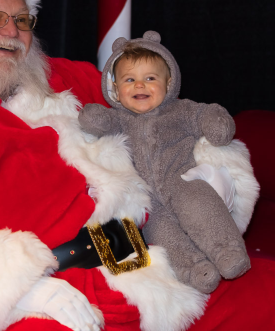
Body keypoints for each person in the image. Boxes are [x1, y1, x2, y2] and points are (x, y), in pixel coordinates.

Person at [0, 0, 275, 331]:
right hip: (48, 293)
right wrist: (28, 294)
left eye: (23, 20)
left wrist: (207, 178)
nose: (11, 32)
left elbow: (160, 117)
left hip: (142, 258)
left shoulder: (63, 77)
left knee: (264, 294)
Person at [78, 33, 253, 294]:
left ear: (168, 83)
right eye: (130, 80)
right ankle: (195, 269)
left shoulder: (179, 111)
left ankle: (228, 251)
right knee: (160, 235)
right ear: (115, 89)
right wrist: (95, 118)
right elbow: (98, 122)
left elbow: (204, 115)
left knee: (202, 207)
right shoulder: (120, 119)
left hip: (182, 178)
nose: (140, 86)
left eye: (150, 78)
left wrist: (215, 121)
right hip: (145, 197)